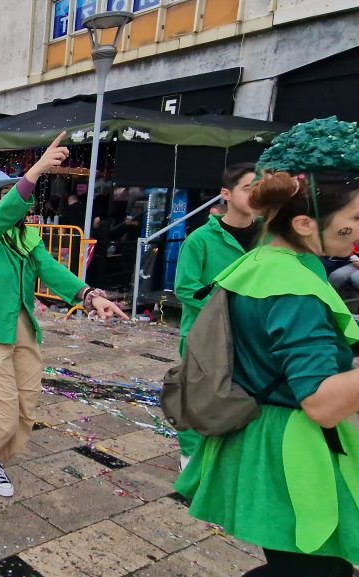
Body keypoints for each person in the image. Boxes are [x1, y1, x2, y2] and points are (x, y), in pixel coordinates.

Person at [175, 118, 359, 575]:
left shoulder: (264, 259)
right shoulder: (293, 286)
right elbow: (318, 400)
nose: (357, 230)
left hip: (262, 435)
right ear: (303, 222)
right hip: (296, 452)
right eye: (353, 219)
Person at [0, 134, 126, 497]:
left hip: (23, 330)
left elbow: (51, 270)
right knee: (3, 413)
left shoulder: (28, 239)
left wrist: (90, 296)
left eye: (12, 195)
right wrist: (37, 171)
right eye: (3, 196)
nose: (16, 204)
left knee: (26, 407)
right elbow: (1, 217)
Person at [173, 162, 260, 467]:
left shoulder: (269, 240)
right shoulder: (200, 239)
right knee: (198, 396)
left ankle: (229, 453)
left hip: (251, 335)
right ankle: (191, 456)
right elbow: (186, 288)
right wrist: (230, 308)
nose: (256, 195)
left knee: (243, 394)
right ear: (226, 194)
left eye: (261, 188)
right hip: (204, 335)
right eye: (249, 188)